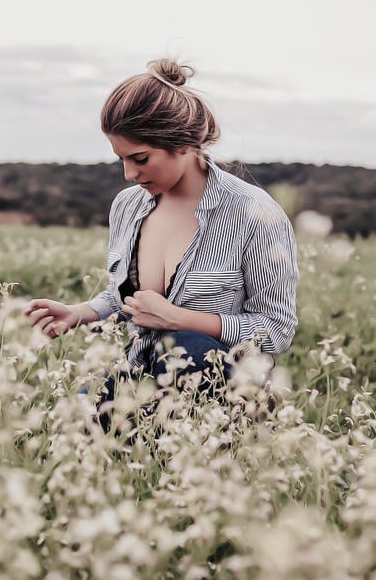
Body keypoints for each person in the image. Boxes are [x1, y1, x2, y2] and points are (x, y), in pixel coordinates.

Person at [24, 58, 299, 426]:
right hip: (142, 369)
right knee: (67, 428)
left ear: (183, 143)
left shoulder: (254, 213)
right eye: (121, 158)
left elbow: (276, 328)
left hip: (225, 391)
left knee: (187, 347)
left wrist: (180, 318)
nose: (129, 173)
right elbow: (126, 297)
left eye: (140, 158)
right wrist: (81, 312)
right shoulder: (127, 206)